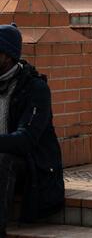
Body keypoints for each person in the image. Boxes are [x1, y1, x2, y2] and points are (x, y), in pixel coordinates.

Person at [0, 23, 64, 236]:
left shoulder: (35, 88)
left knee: (3, 159)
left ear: (7, 56)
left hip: (33, 167)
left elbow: (25, 140)